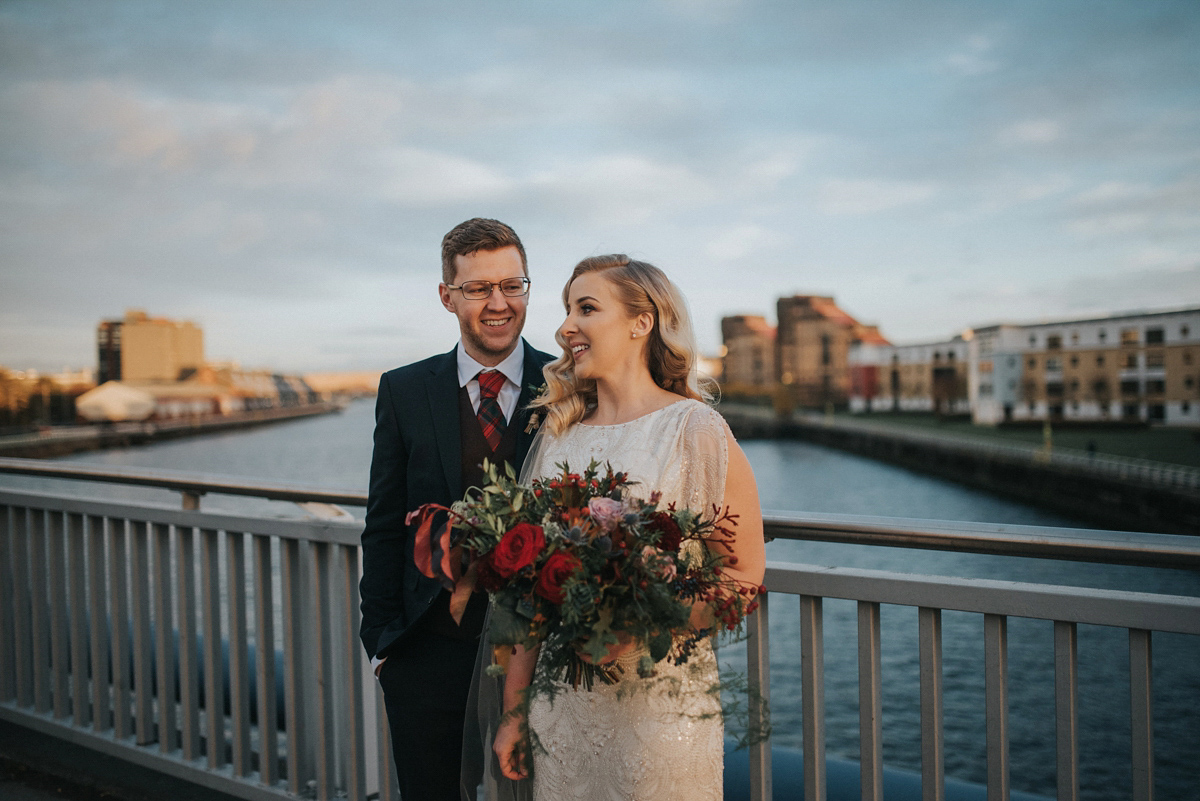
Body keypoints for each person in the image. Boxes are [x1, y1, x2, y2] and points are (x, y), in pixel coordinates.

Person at [490, 254, 766, 800]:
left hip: (658, 715)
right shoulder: (557, 437)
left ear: (642, 322)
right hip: (562, 708)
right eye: (567, 310)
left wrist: (638, 622)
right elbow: (524, 597)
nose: (566, 327)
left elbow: (742, 575)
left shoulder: (696, 430)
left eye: (586, 308)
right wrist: (514, 715)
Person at [360, 218, 555, 801]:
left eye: (512, 285)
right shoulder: (403, 390)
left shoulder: (567, 385)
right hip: (427, 648)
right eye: (478, 289)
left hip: (544, 651)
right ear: (448, 296)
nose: (499, 303)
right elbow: (382, 523)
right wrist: (384, 645)